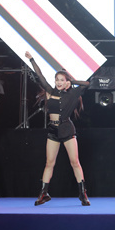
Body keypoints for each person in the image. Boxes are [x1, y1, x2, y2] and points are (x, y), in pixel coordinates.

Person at [25, 51, 90, 206]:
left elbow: (87, 84)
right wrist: (32, 59)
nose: (59, 82)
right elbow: (40, 75)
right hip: (53, 130)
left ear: (66, 82)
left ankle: (83, 194)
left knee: (74, 162)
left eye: (62, 80)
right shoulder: (50, 91)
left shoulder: (73, 93)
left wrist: (72, 82)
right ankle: (43, 194)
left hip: (67, 129)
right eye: (57, 79)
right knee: (49, 163)